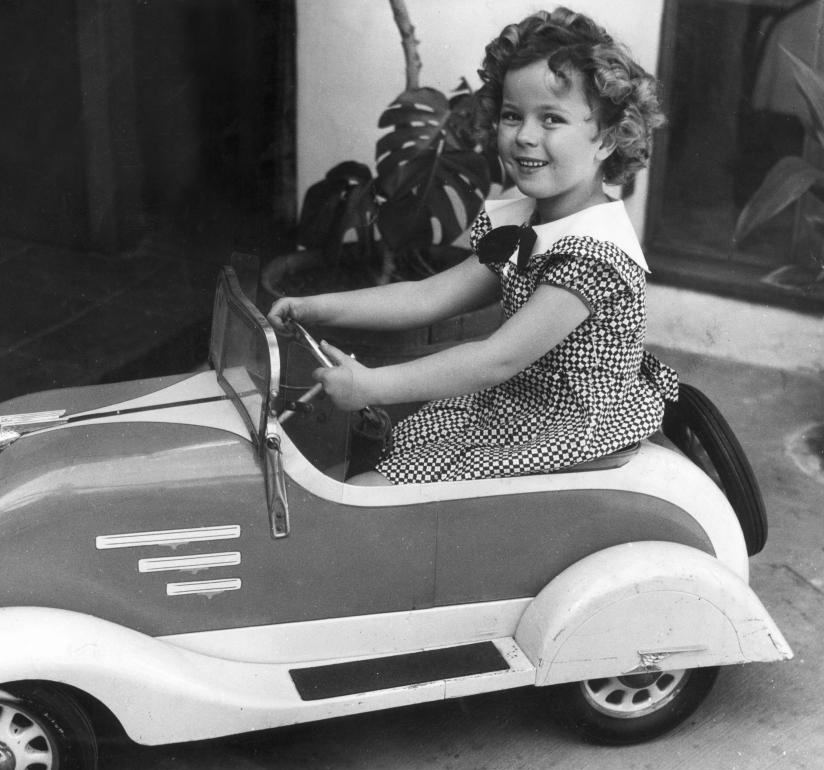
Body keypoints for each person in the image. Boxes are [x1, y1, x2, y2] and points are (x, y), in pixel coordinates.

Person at [267, 6, 676, 485]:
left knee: (369, 489)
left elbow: (496, 358)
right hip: (518, 403)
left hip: (564, 430)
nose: (524, 136)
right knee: (380, 452)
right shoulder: (529, 220)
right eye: (511, 115)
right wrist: (317, 308)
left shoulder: (594, 255)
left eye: (551, 119)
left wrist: (372, 384)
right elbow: (429, 295)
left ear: (607, 139)